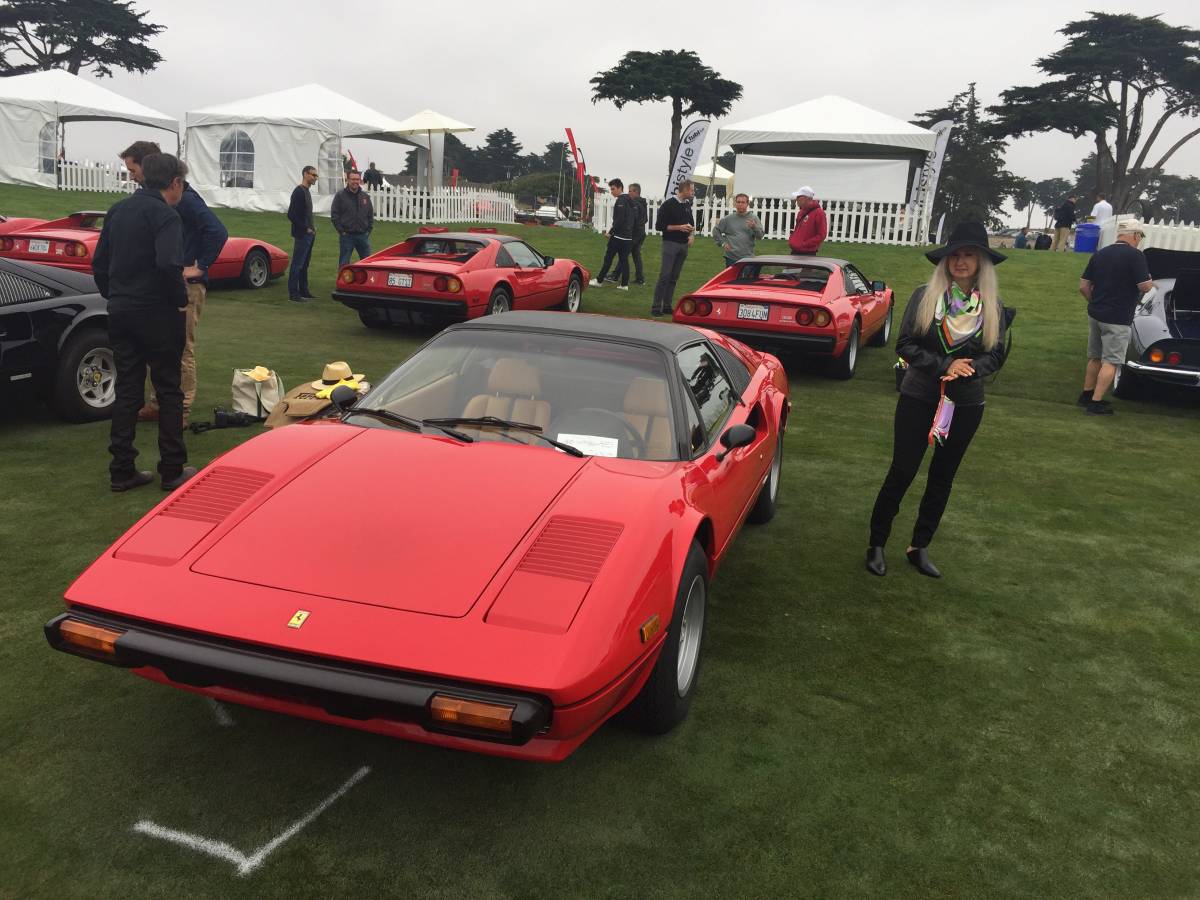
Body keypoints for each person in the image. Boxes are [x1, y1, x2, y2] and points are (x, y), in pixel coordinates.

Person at [865, 222, 1010, 579]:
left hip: (966, 402)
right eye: (955, 255)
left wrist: (968, 369)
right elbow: (905, 346)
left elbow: (995, 354)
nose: (961, 262)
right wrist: (945, 364)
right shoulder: (925, 296)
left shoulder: (991, 305)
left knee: (943, 476)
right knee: (902, 470)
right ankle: (877, 543)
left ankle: (919, 545)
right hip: (919, 395)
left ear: (981, 262)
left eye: (969, 255)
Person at [92, 153, 196, 492]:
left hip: (121, 310)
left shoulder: (118, 210)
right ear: (175, 183)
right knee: (168, 389)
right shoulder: (166, 216)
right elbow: (168, 264)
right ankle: (172, 469)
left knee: (127, 390)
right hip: (157, 312)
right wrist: (179, 299)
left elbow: (99, 263)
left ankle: (121, 470)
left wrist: (114, 295)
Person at [121, 140, 228, 424]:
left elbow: (217, 231)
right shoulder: (154, 200)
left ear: (148, 167)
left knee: (181, 347)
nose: (131, 176)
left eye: (133, 170)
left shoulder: (186, 199)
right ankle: (158, 403)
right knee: (158, 345)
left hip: (186, 286)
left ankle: (181, 409)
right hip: (163, 283)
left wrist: (199, 266)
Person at [1076, 219, 1152, 415]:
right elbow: (1144, 286)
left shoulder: (1100, 253)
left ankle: (1086, 394)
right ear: (1135, 235)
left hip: (1096, 313)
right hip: (1118, 317)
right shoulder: (1136, 256)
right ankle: (1096, 402)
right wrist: (1151, 281)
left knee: (1094, 357)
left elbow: (1083, 286)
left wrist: (1094, 302)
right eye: (1140, 237)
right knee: (1111, 361)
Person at [652, 179, 696, 316]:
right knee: (665, 275)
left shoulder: (687, 204)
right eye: (692, 190)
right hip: (670, 243)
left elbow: (691, 223)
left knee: (674, 277)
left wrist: (691, 235)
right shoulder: (668, 204)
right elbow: (659, 226)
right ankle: (656, 307)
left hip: (683, 245)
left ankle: (667, 305)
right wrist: (679, 227)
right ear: (684, 190)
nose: (693, 192)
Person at [589, 178, 633, 290]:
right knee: (624, 261)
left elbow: (619, 220)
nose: (611, 191)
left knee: (608, 259)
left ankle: (599, 281)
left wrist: (610, 232)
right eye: (611, 189)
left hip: (618, 237)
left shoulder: (621, 200)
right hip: (628, 237)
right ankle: (624, 285)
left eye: (613, 189)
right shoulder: (630, 200)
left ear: (620, 188)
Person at [287, 165, 318, 302]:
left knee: (305, 264)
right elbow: (291, 214)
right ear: (305, 174)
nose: (315, 178)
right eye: (313, 175)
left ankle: (304, 291)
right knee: (298, 264)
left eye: (316, 175)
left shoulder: (307, 191)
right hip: (302, 234)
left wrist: (312, 228)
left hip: (309, 234)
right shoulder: (298, 192)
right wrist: (305, 228)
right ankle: (294, 293)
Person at [331, 170, 374, 267]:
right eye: (353, 179)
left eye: (357, 179)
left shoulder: (365, 197)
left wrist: (368, 230)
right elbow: (334, 215)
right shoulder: (340, 196)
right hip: (347, 236)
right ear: (348, 180)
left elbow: (370, 215)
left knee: (367, 263)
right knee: (344, 263)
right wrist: (342, 231)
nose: (355, 182)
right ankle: (342, 277)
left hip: (363, 236)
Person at [713, 193, 764, 267]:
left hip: (748, 257)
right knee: (732, 275)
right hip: (731, 257)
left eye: (743, 202)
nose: (740, 204)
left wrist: (754, 227)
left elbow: (760, 236)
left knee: (747, 275)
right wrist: (722, 243)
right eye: (738, 202)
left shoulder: (753, 218)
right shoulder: (728, 219)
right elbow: (716, 230)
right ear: (735, 203)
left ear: (747, 204)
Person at [788, 186, 828, 255]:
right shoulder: (801, 212)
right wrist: (793, 240)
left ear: (805, 198)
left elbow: (821, 235)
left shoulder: (819, 213)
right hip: (796, 250)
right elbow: (797, 230)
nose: (796, 199)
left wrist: (804, 244)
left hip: (807, 253)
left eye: (798, 197)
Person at [628, 182, 648, 285]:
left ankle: (615, 275)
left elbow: (633, 220)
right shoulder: (643, 203)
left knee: (624, 253)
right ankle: (640, 278)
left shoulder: (635, 203)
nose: (628, 193)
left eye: (630, 191)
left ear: (636, 192)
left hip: (635, 233)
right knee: (636, 256)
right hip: (641, 233)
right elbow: (645, 219)